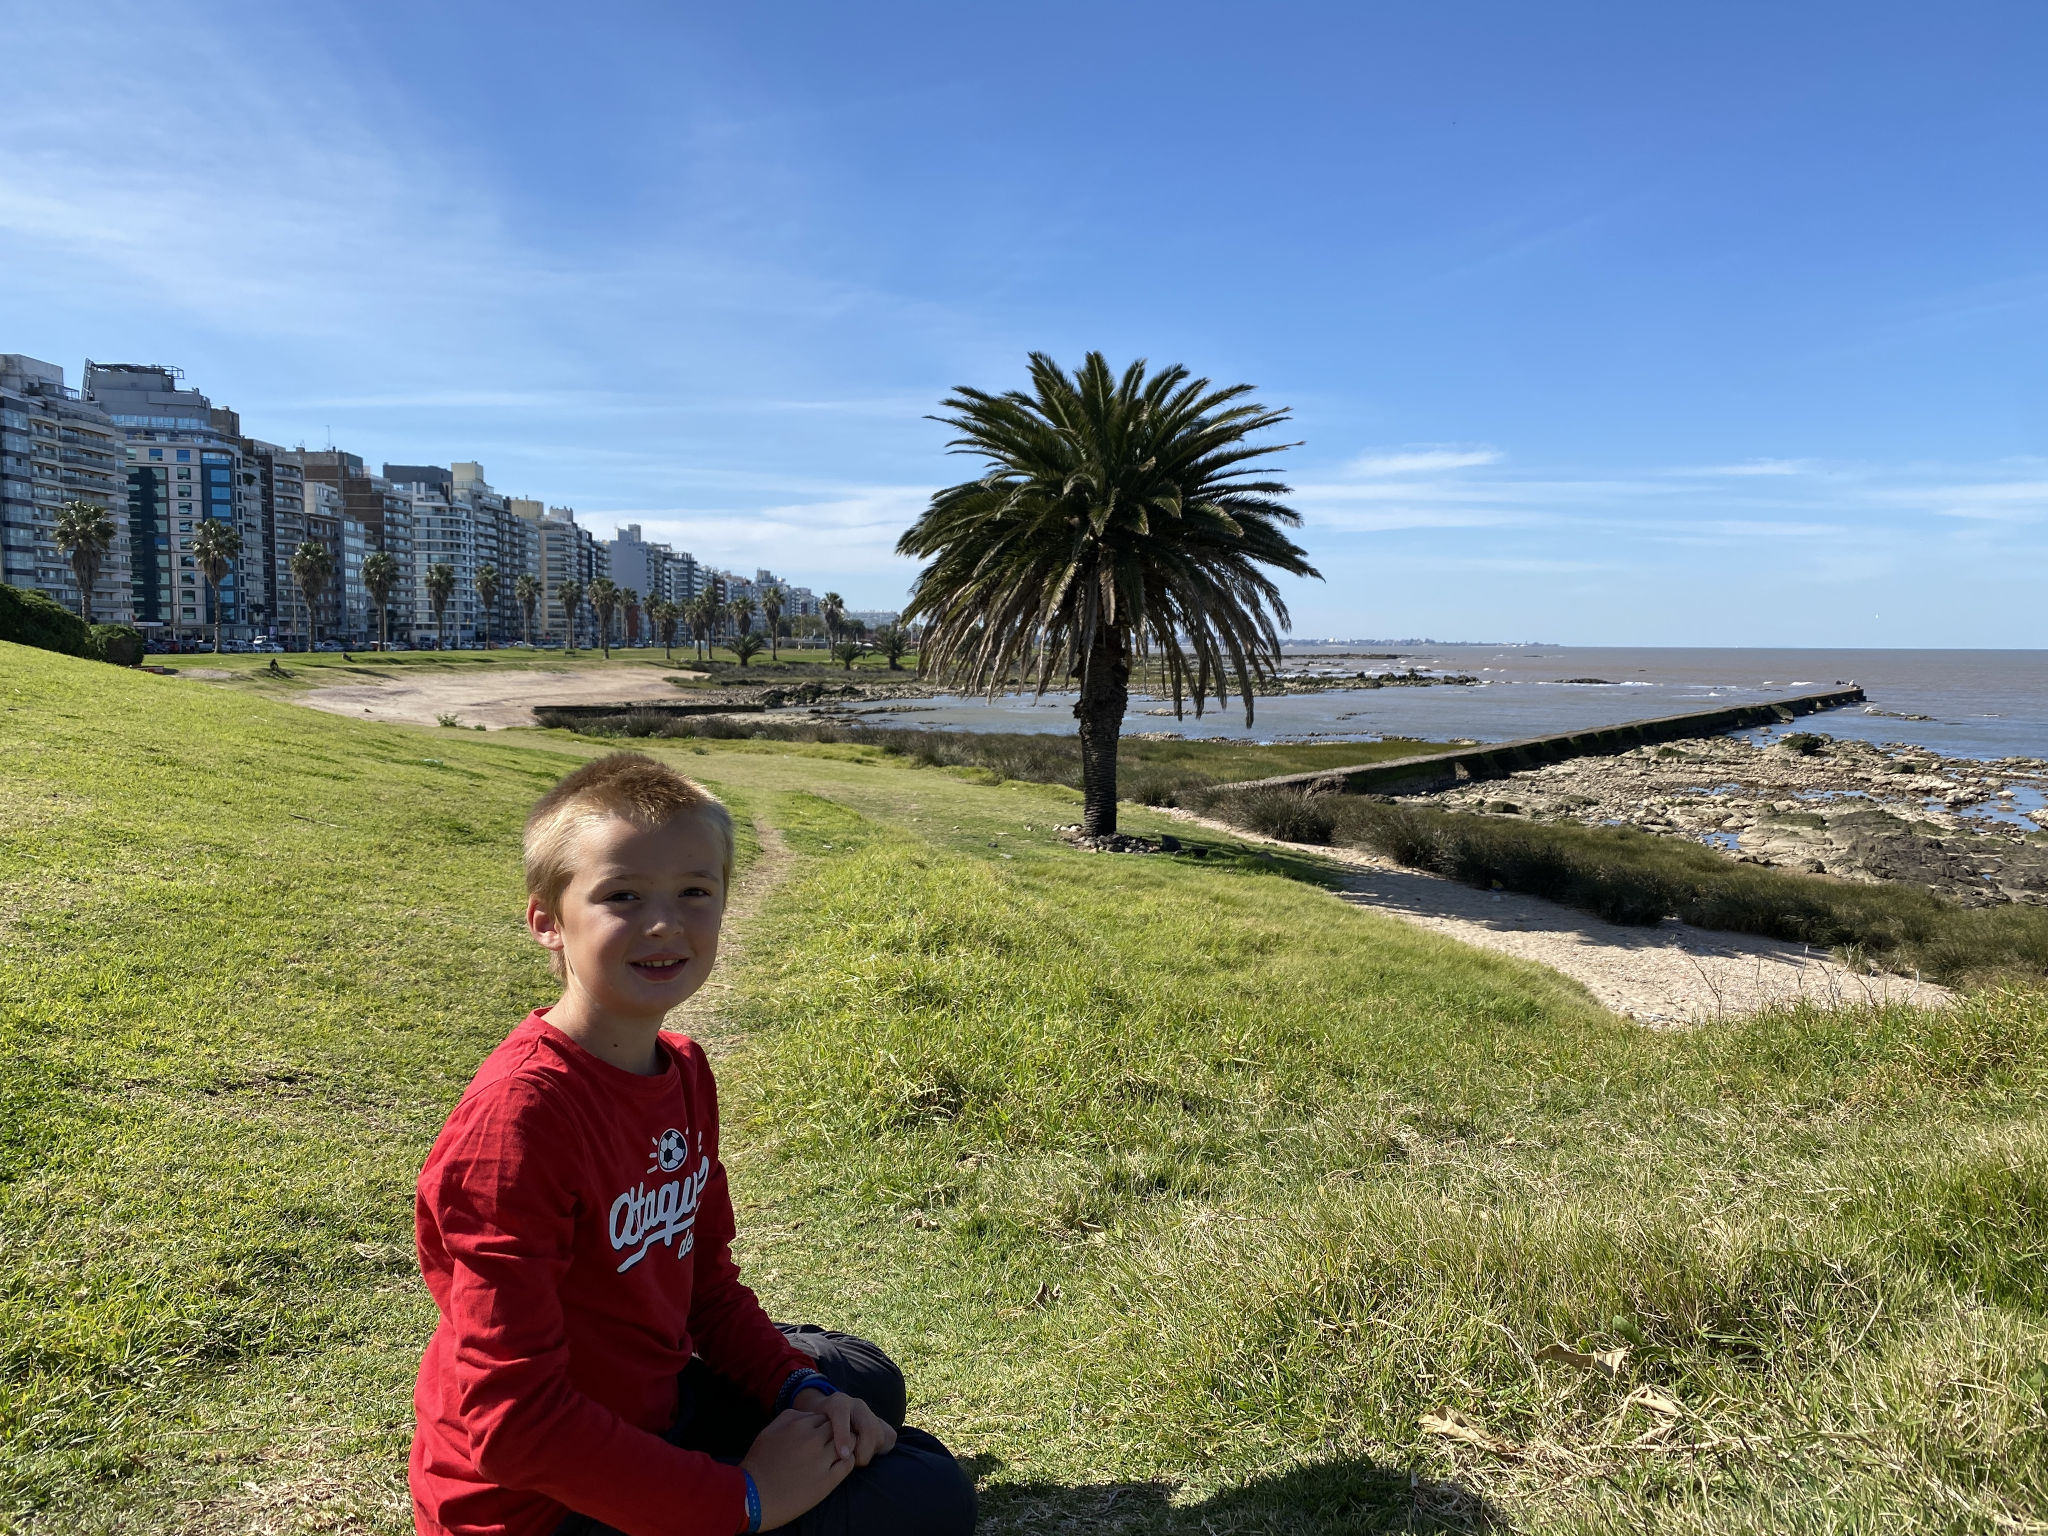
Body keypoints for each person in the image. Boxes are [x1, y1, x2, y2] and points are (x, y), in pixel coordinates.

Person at [411, 753, 975, 1536]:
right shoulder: (520, 1123)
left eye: (694, 894)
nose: (665, 924)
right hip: (540, 1504)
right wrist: (747, 1499)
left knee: (862, 1382)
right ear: (546, 920)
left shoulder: (680, 1067)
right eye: (622, 896)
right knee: (928, 1494)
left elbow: (705, 1288)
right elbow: (513, 1426)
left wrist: (797, 1392)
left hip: (655, 1394)